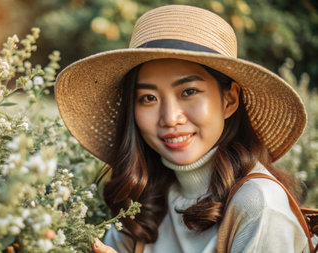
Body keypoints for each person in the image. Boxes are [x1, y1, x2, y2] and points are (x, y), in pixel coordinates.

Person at [55, 4, 314, 253]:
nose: (170, 118)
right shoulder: (148, 196)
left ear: (229, 100)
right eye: (148, 98)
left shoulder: (258, 204)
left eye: (189, 91)